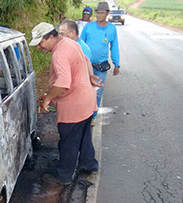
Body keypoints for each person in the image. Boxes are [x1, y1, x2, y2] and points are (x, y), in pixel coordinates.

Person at [29, 22, 100, 185]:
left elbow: (62, 84)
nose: (39, 47)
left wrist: (47, 99)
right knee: (84, 136)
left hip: (73, 105)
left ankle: (64, 175)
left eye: (40, 43)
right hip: (87, 100)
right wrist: (90, 76)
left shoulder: (59, 54)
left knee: (68, 141)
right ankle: (89, 165)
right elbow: (86, 60)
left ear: (51, 36)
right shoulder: (71, 43)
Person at [80, 1, 120, 119]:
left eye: (102, 13)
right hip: (86, 65)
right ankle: (83, 115)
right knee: (84, 91)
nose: (99, 15)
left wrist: (116, 64)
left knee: (97, 92)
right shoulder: (88, 27)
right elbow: (80, 43)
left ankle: (92, 116)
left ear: (107, 13)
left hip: (101, 66)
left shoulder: (112, 29)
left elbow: (114, 47)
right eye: (98, 13)